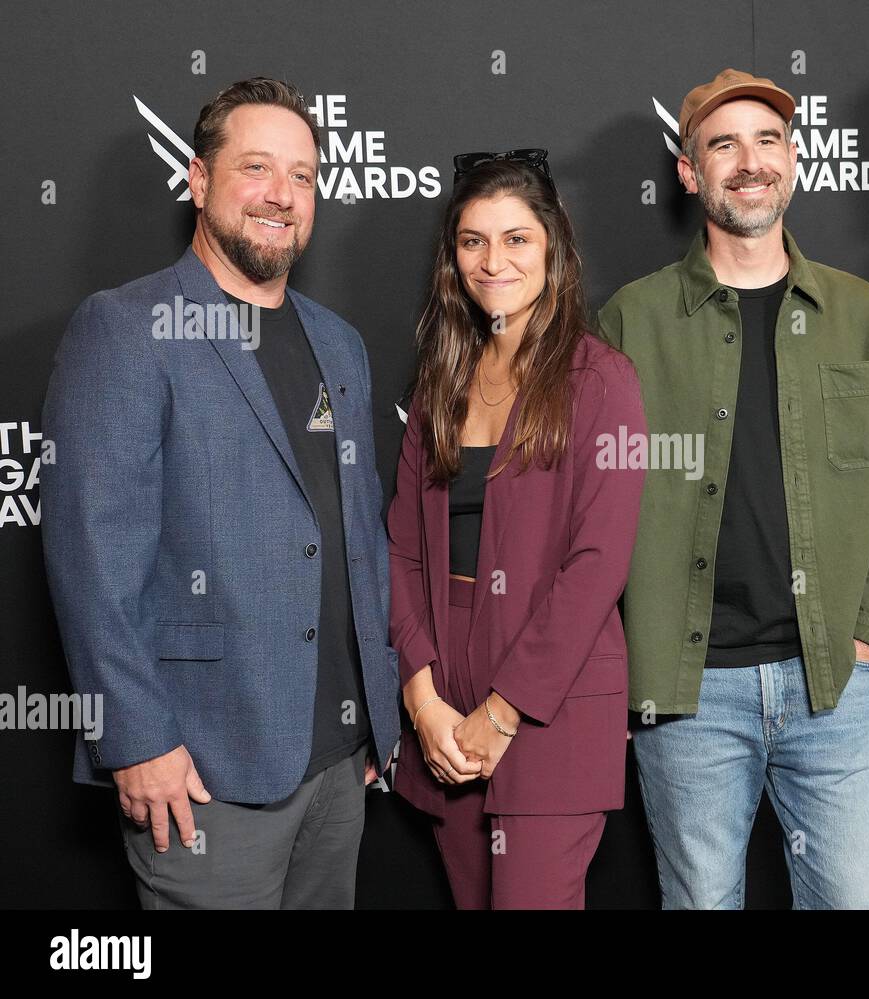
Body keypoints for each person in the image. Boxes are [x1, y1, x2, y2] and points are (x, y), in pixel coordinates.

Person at [41, 78, 401, 908]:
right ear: (199, 181)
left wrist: (374, 708)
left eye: (303, 176)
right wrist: (133, 738)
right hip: (202, 767)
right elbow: (91, 555)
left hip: (339, 763)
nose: (282, 194)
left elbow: (359, 539)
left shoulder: (338, 343)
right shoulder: (127, 327)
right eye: (257, 168)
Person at [599, 69, 869, 908]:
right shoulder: (629, 321)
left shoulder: (860, 314)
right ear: (689, 172)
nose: (748, 162)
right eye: (723, 145)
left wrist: (867, 633)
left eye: (767, 141)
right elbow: (590, 508)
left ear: (793, 160)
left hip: (832, 681)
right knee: (702, 900)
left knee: (852, 897)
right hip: (688, 692)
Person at [387, 152, 646, 909]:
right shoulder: (442, 381)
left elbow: (599, 564)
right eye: (472, 241)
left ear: (553, 248)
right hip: (444, 687)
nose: (492, 261)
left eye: (516, 239)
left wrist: (502, 714)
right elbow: (400, 549)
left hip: (550, 703)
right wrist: (422, 696)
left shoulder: (601, 380)